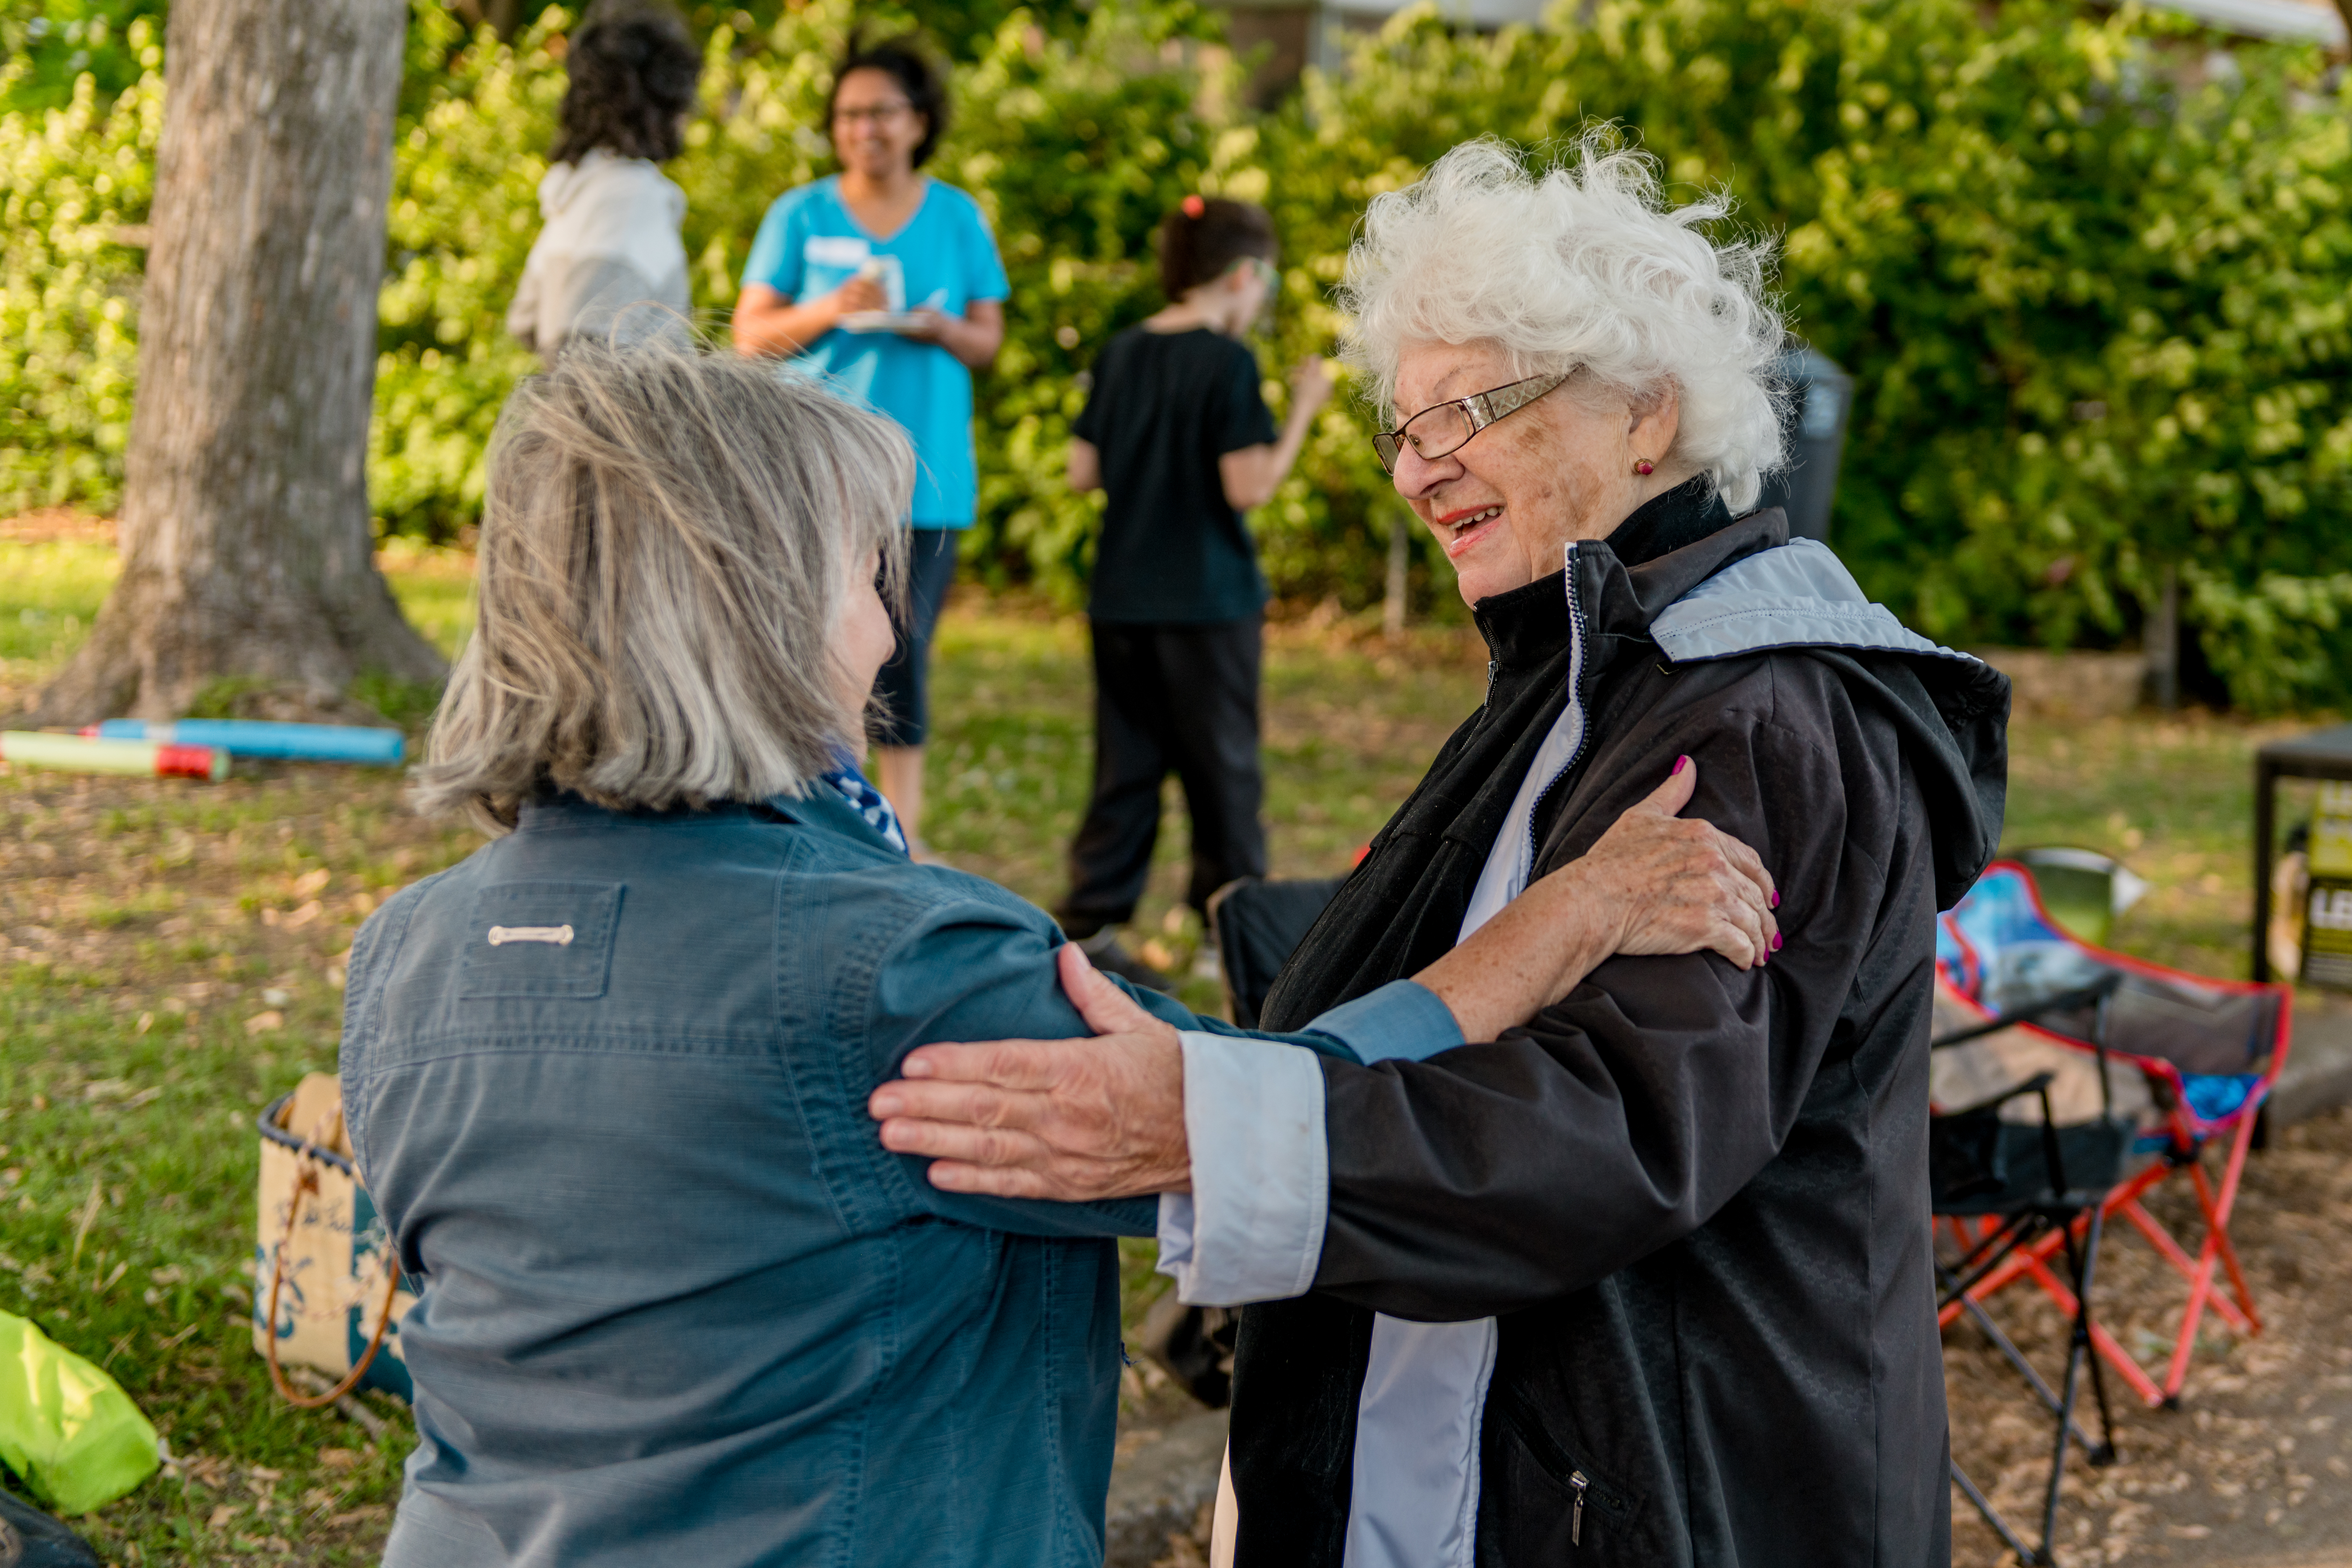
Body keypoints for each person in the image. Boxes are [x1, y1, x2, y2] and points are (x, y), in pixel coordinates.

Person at [341, 340, 1783, 1566]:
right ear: (760, 609)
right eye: (868, 572)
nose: (896, 623)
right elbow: (1289, 1103)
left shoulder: (405, 951)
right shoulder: (904, 971)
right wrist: (1575, 911)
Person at [868, 135, 2013, 1568]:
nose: (1421, 468)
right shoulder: (1577, 672)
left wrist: (1210, 1129)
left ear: (1644, 417)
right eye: (1405, 428)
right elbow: (1451, 1007)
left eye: (1468, 410)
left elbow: (1610, 1127)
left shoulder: (1750, 712)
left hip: (1678, 1488)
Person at [731, 36, 1005, 853]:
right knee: (799, 642)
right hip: (810, 477)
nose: (864, 129)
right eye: (849, 115)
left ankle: (903, 835)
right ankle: (806, 811)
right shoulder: (800, 214)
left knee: (902, 655)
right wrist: (829, 310)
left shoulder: (957, 216)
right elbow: (750, 335)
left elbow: (988, 340)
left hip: (925, 481)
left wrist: (940, 326)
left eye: (881, 112)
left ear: (919, 121)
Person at [1055, 196, 1332, 989]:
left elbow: (1083, 472)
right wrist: (1304, 412)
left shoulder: (1120, 352)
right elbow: (1247, 486)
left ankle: (1094, 914)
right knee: (1223, 767)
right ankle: (1229, 921)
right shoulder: (1227, 362)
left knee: (1127, 761)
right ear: (1245, 276)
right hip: (1209, 601)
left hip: (1121, 594)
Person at [505, 2, 702, 359]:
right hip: (630, 415)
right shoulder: (631, 196)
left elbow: (524, 319)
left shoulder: (578, 191)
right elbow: (587, 346)